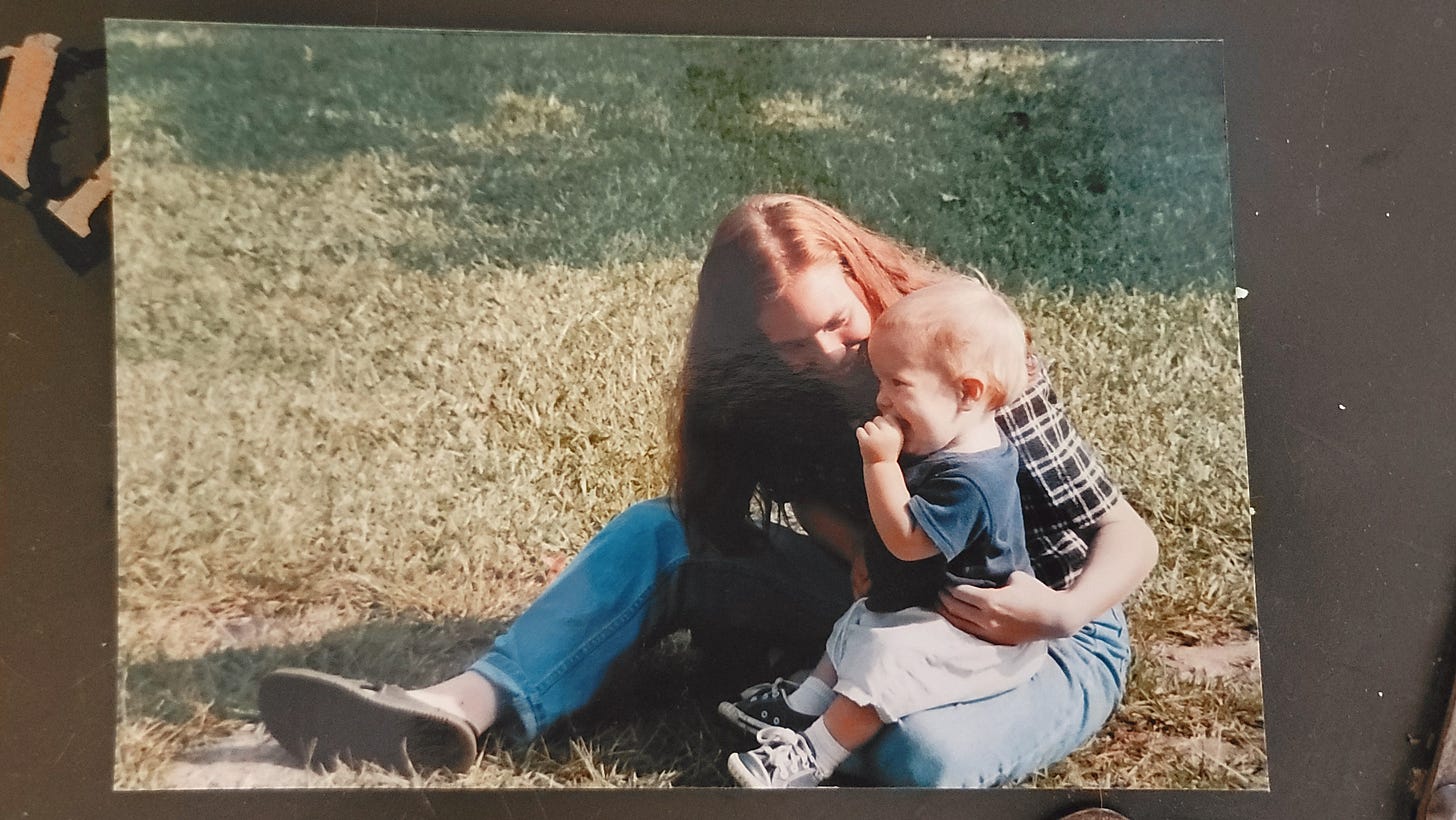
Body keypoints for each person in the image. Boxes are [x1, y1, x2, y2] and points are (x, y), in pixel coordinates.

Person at [258, 193, 1158, 786]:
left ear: (861, 277)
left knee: (922, 760)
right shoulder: (762, 383)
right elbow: (803, 494)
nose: (827, 358)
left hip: (1034, 631)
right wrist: (853, 547)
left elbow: (1125, 531)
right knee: (663, 532)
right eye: (791, 346)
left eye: (841, 326)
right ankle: (456, 710)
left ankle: (817, 721)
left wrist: (1061, 611)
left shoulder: (959, 354)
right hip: (888, 602)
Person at [721, 278, 1047, 788]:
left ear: (967, 392)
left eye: (899, 384)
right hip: (927, 605)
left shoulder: (972, 479)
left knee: (883, 666)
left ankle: (813, 756)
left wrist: (880, 465)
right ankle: (802, 705)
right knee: (858, 624)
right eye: (881, 381)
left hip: (974, 633)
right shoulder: (952, 440)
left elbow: (907, 541)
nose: (882, 399)